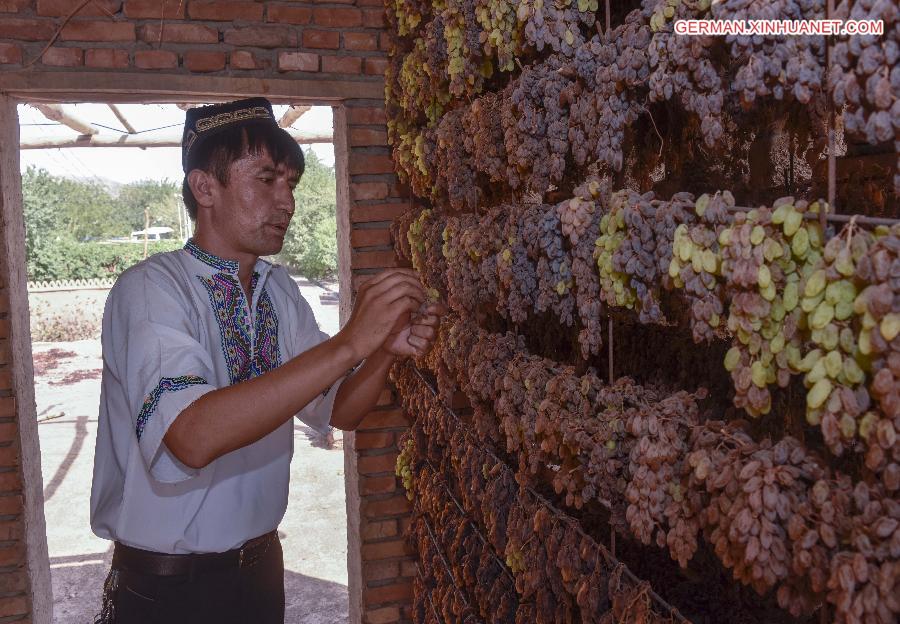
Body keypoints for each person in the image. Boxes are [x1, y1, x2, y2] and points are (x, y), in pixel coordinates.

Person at [89, 97, 445, 623]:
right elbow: (191, 436)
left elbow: (337, 411)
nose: (288, 202)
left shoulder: (280, 291)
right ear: (204, 187)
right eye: (267, 180)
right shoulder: (150, 290)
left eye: (291, 185)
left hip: (258, 573)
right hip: (167, 590)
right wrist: (349, 342)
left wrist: (379, 355)